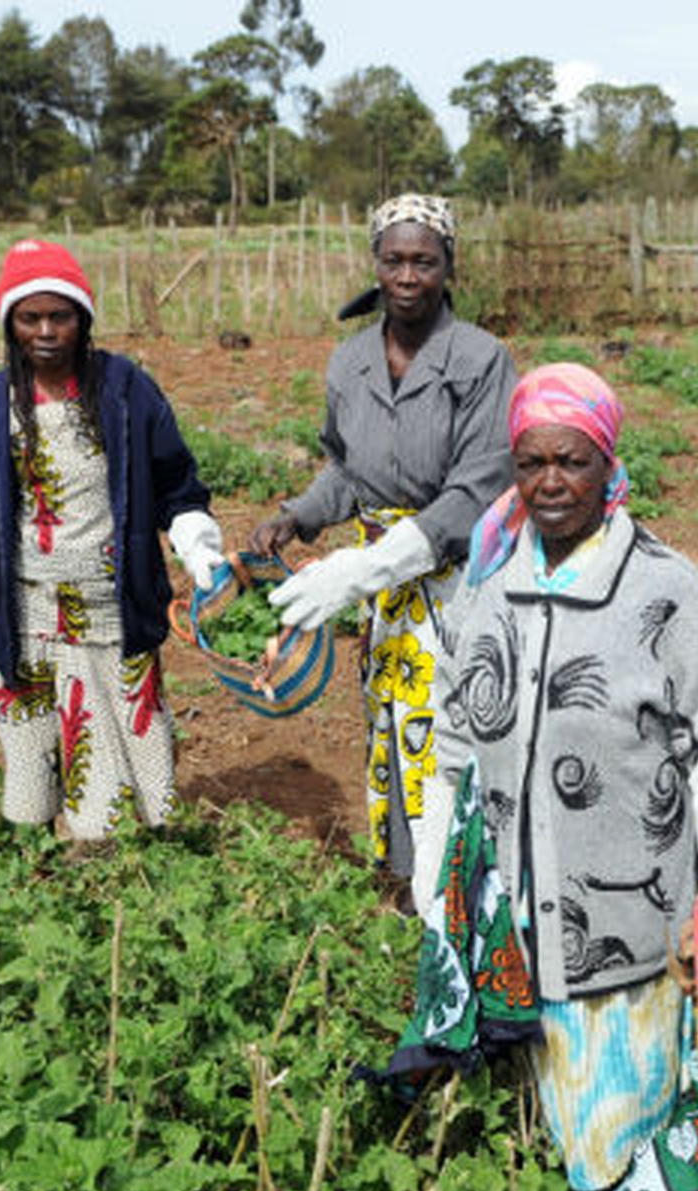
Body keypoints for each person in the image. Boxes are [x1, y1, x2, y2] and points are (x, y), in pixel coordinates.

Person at [400, 362, 698, 1191]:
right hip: (511, 926)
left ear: (608, 465)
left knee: (623, 1146)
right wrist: (437, 871)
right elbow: (456, 736)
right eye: (531, 461)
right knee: (534, 1141)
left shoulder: (661, 585)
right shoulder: (490, 584)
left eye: (571, 460)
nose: (550, 482)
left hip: (624, 926)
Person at [249, 193, 517, 894]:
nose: (407, 276)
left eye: (423, 261)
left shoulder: (482, 359)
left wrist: (372, 563)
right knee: (394, 724)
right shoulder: (351, 362)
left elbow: (479, 488)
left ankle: (461, 888)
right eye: (394, 259)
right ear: (375, 263)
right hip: (381, 596)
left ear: (448, 265)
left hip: (456, 583)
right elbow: (348, 468)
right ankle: (407, 879)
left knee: (453, 726)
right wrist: (300, 516)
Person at [0, 239, 230, 840]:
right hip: (25, 610)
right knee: (29, 756)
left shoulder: (125, 391)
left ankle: (122, 861)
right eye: (30, 317)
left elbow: (178, 484)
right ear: (10, 324)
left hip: (108, 607)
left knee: (114, 763)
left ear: (83, 319)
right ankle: (33, 868)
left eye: (60, 316)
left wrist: (197, 544)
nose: (46, 330)